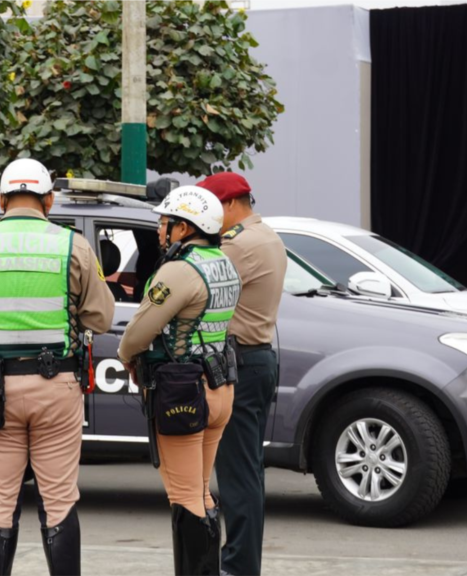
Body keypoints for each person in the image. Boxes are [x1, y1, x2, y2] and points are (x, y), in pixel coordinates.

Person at [0, 158, 114, 576]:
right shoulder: (73, 245)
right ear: (49, 200)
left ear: (1, 199)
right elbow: (101, 319)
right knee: (59, 499)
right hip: (56, 387)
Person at [118, 186, 241, 576]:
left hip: (184, 391)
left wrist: (126, 356)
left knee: (185, 495)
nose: (159, 229)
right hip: (221, 386)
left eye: (165, 222)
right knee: (202, 491)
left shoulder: (179, 270)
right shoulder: (222, 261)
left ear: (185, 228)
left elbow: (138, 332)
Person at [198, 172, 286, 576]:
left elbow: (195, 283)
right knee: (246, 471)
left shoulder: (240, 244)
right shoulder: (265, 235)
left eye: (211, 210)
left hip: (240, 362)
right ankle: (242, 563)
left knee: (237, 476)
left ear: (230, 205)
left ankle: (238, 566)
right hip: (255, 358)